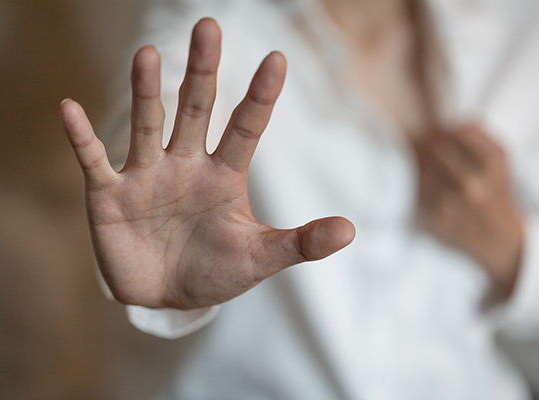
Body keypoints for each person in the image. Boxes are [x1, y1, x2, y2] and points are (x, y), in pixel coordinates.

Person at [60, 0, 539, 398]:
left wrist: (513, 249)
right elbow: (152, 123)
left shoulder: (520, 35)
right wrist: (156, 239)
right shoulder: (212, 28)